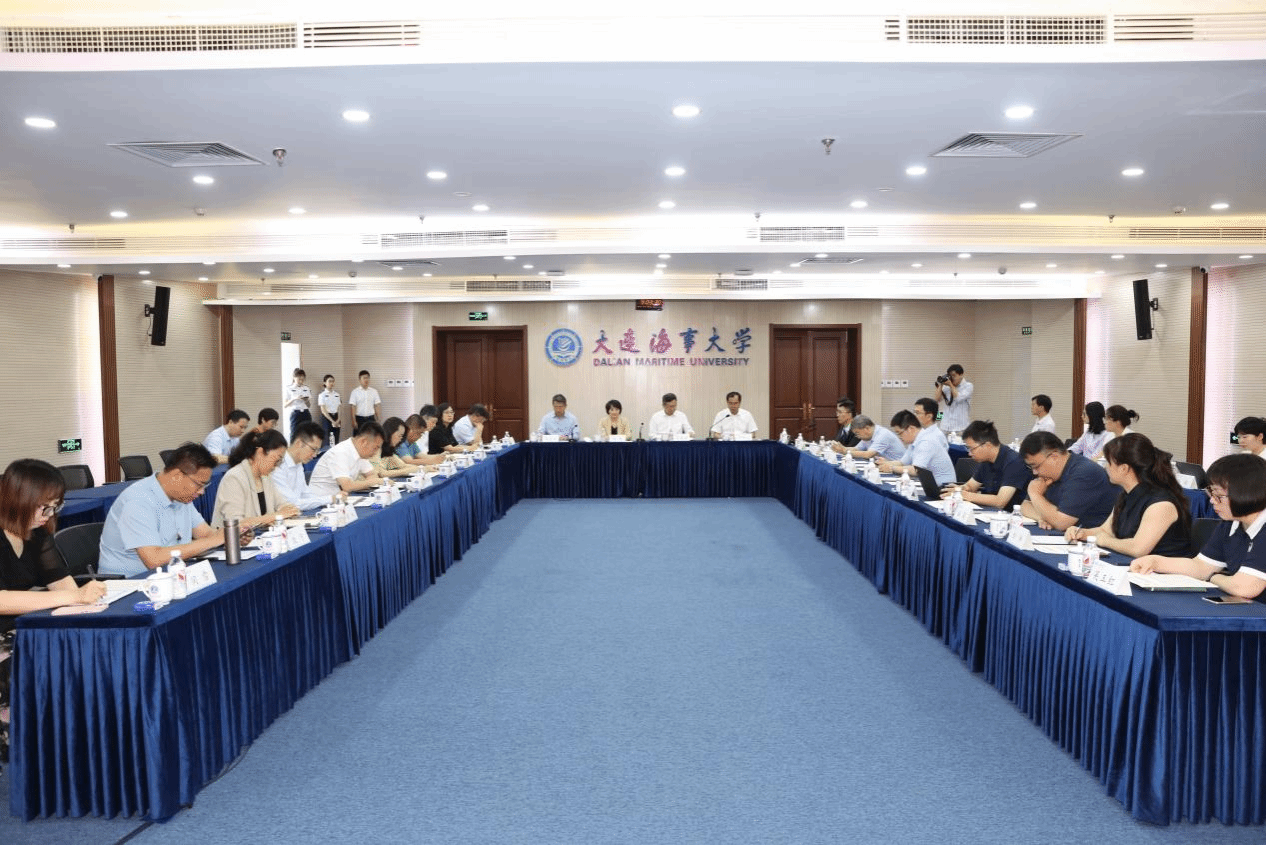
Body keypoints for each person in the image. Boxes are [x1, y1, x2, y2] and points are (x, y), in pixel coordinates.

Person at [0, 459, 108, 764]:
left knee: (83, 646)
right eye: (43, 507)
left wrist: (86, 601)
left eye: (54, 507)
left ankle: (77, 745)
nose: (48, 516)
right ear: (17, 499)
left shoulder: (36, 533)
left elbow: (60, 581)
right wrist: (74, 596)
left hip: (20, 625)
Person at [1131, 453, 1266, 602]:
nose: (1212, 501)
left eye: (1219, 496)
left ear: (1246, 493)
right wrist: (1155, 562)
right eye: (1211, 493)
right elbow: (1201, 567)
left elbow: (1244, 587)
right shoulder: (1230, 524)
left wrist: (1214, 577)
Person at [98, 443, 243, 576]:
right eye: (199, 485)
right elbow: (154, 560)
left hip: (169, 575)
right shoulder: (138, 501)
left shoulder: (182, 497)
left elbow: (205, 534)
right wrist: (215, 540)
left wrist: (232, 537)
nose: (201, 492)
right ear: (177, 476)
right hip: (129, 584)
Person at [1065, 433, 1191, 558]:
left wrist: (1105, 541)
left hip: (1163, 569)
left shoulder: (1161, 503)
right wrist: (1082, 533)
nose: (1106, 467)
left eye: (1109, 462)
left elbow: (1138, 548)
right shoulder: (1126, 495)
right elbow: (1105, 531)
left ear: (1124, 468)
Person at [1019, 431, 1119, 531]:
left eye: (1036, 466)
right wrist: (1043, 518)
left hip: (1091, 537)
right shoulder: (1048, 473)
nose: (1035, 472)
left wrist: (1035, 495)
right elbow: (1025, 506)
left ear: (1054, 457)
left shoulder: (1084, 473)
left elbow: (1061, 523)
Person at [212, 428, 300, 530]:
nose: (276, 466)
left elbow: (282, 504)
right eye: (277, 460)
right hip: (232, 538)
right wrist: (275, 516)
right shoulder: (234, 478)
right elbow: (237, 523)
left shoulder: (266, 477)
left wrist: (288, 510)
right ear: (260, 452)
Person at [947, 419, 1032, 510]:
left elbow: (1000, 502)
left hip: (1011, 515)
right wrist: (958, 490)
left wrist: (965, 495)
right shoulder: (986, 460)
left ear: (987, 445)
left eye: (971, 449)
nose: (969, 453)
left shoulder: (1014, 462)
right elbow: (971, 486)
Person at [272, 421, 339, 511]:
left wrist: (328, 501)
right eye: (313, 449)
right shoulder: (277, 465)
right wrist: (329, 499)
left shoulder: (298, 463)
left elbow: (306, 494)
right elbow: (291, 503)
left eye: (317, 451)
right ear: (299, 443)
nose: (315, 455)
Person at [879, 408, 955, 485]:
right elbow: (902, 463)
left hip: (943, 487)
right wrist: (886, 464)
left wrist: (892, 468)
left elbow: (916, 470)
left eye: (900, 433)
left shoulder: (926, 442)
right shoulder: (914, 441)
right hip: (929, 483)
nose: (899, 437)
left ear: (911, 429)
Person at [307, 421, 385, 497]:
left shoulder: (361, 453)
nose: (376, 453)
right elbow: (347, 486)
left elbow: (371, 474)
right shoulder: (340, 452)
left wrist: (372, 481)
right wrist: (372, 482)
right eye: (375, 448)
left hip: (339, 499)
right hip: (320, 501)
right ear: (363, 442)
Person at [935, 364, 973, 434]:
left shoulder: (968, 386)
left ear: (961, 375)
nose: (952, 378)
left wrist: (951, 385)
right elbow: (937, 399)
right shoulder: (947, 387)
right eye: (950, 376)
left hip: (961, 427)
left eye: (954, 376)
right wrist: (941, 384)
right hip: (945, 426)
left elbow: (958, 398)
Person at [284, 368, 312, 433]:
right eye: (299, 379)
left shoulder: (306, 388)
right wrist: (294, 398)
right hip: (296, 413)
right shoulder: (289, 388)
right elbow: (285, 405)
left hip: (306, 413)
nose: (301, 381)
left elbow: (309, 405)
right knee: (294, 433)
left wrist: (306, 400)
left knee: (308, 433)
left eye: (303, 379)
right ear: (294, 378)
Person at [317, 374, 342, 445]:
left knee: (336, 438)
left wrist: (338, 419)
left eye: (333, 381)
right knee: (327, 440)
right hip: (327, 418)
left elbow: (339, 408)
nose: (332, 383)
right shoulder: (322, 395)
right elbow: (323, 410)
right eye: (330, 381)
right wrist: (332, 421)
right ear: (325, 383)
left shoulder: (337, 394)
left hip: (336, 417)